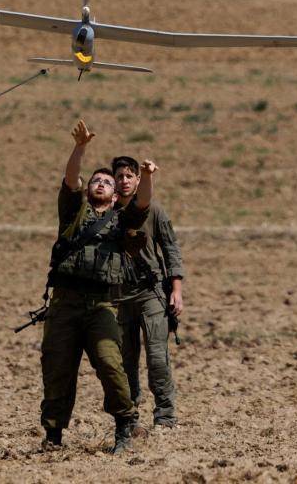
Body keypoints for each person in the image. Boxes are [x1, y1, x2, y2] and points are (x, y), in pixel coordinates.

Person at [41, 121, 158, 454]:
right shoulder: (73, 213)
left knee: (110, 363)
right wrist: (80, 147)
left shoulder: (123, 220)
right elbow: (70, 179)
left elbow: (142, 204)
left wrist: (147, 177)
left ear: (116, 191)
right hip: (64, 305)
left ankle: (124, 425)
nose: (103, 184)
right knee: (57, 368)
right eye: (97, 180)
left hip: (102, 306)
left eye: (108, 182)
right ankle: (53, 435)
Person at [111, 155, 184, 430]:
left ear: (138, 180)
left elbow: (171, 249)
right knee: (124, 362)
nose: (125, 180)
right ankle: (129, 418)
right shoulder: (107, 212)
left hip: (151, 293)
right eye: (120, 176)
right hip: (119, 297)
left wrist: (176, 289)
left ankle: (165, 416)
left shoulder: (154, 210)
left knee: (157, 357)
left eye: (130, 176)